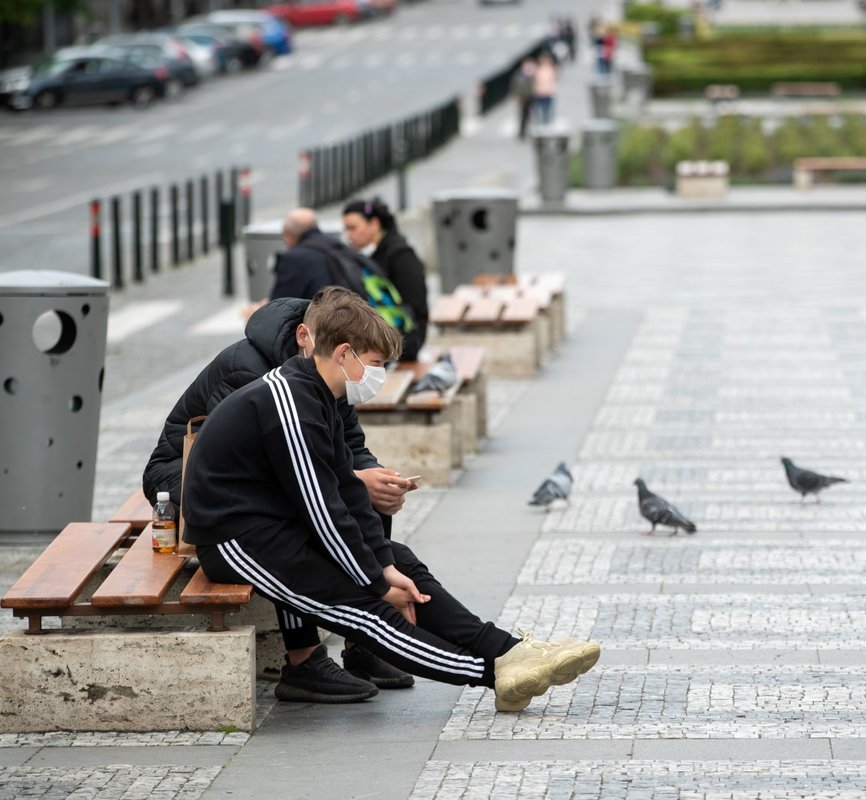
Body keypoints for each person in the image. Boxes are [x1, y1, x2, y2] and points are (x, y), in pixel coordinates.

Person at [181, 292, 601, 712]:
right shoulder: (288, 401)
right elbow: (321, 508)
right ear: (345, 353)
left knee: (405, 564)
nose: (379, 374)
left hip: (275, 522)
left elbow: (345, 488)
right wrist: (377, 584)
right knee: (364, 611)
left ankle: (508, 650)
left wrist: (384, 565)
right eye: (377, 363)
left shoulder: (321, 395)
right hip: (235, 539)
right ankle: (493, 674)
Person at [143, 288, 419, 702]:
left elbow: (349, 445)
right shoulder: (249, 369)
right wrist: (353, 479)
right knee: (295, 516)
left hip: (253, 478)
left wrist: (376, 477)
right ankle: (303, 659)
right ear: (305, 336)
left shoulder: (325, 369)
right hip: (186, 479)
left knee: (367, 495)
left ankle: (363, 644)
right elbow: (250, 468)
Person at [342, 198, 429, 363]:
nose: (348, 235)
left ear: (374, 224)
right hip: (390, 337)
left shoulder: (400, 255)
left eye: (353, 228)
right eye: (346, 229)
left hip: (406, 341)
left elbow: (417, 307)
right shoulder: (374, 254)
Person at [270, 208, 369, 302]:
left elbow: (279, 306)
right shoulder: (338, 247)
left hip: (324, 318)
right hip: (354, 313)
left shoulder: (293, 258)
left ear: (288, 236)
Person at [510, 57, 535, 140]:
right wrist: (517, 97)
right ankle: (522, 132)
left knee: (530, 116)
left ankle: (529, 131)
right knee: (523, 116)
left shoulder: (532, 74)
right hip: (522, 97)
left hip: (531, 97)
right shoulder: (519, 75)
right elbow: (515, 87)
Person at [531, 50, 558, 126]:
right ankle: (540, 126)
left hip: (548, 92)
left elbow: (555, 77)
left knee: (547, 111)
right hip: (539, 92)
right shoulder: (537, 68)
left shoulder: (551, 68)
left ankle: (546, 125)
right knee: (538, 111)